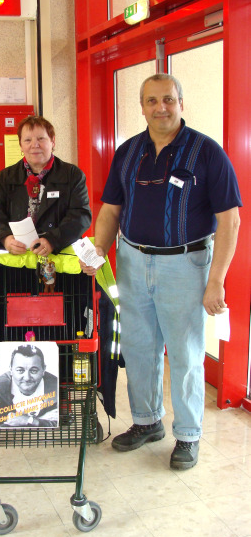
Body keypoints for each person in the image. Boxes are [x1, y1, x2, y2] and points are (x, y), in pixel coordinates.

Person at [80, 74, 241, 470]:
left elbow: (230, 221)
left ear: (181, 102)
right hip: (133, 261)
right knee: (137, 347)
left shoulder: (207, 153)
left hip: (185, 264)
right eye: (151, 101)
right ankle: (147, 421)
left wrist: (216, 279)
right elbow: (110, 210)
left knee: (185, 353)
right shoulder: (128, 151)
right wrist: (99, 249)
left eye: (168, 99)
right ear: (142, 107)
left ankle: (187, 435)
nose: (160, 108)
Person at [0, 115, 92, 257]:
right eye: (28, 140)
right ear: (21, 145)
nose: (35, 145)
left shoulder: (73, 175)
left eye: (41, 139)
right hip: (17, 260)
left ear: (52, 141)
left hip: (58, 257)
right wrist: (6, 239)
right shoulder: (5, 178)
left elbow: (81, 216)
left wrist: (52, 240)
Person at [0, 344, 58, 428]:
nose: (27, 378)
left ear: (43, 369)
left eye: (33, 371)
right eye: (20, 370)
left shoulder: (56, 386)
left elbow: (61, 422)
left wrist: (28, 420)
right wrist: (41, 421)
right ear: (11, 369)